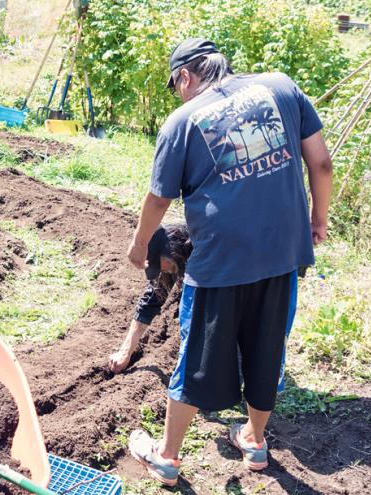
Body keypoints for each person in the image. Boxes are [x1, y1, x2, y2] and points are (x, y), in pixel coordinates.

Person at [121, 38, 333, 486]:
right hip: (281, 254)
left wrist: (140, 246)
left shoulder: (181, 121)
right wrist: (318, 220)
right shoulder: (281, 86)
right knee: (267, 346)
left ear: (185, 76)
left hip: (219, 261)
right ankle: (255, 442)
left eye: (175, 86)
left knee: (196, 355)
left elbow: (159, 198)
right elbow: (322, 163)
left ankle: (167, 457)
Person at [107, 224, 187, 375]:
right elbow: (151, 299)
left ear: (171, 251)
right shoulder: (170, 262)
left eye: (158, 264)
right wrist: (126, 351)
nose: (160, 270)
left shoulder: (202, 252)